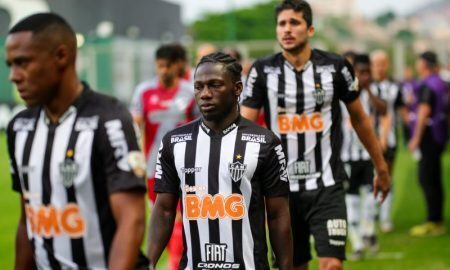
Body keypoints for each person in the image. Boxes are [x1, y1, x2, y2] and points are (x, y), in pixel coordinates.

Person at [241, 1, 390, 269]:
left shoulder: (335, 67)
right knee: (293, 265)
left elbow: (360, 119)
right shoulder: (262, 70)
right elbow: (243, 128)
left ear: (310, 29)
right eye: (282, 23)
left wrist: (381, 166)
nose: (287, 29)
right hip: (281, 191)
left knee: (332, 263)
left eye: (294, 23)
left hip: (327, 186)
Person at [5, 13, 148, 269]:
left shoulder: (109, 120)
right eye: (10, 65)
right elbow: (28, 218)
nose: (13, 76)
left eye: (23, 63)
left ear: (61, 56)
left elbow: (132, 220)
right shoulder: (20, 128)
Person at [148, 52, 293, 270]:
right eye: (199, 87)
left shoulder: (265, 142)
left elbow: (277, 214)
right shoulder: (174, 142)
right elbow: (164, 210)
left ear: (237, 89)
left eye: (214, 85)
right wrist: (148, 263)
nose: (205, 94)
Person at [130, 44, 197, 269]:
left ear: (178, 65)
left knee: (179, 220)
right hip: (152, 169)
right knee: (163, 221)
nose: (163, 71)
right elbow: (135, 123)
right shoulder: (144, 91)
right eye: (159, 66)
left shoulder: (191, 92)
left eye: (167, 66)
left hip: (186, 168)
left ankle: (174, 265)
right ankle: (180, 259)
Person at [340, 54, 386, 260]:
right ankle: (357, 242)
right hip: (347, 155)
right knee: (350, 201)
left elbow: (384, 110)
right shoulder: (342, 93)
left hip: (367, 155)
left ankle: (368, 231)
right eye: (361, 72)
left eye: (368, 72)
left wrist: (367, 89)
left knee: (370, 196)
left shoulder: (373, 91)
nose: (365, 76)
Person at [408, 51, 448, 236]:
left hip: (429, 137)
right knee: (434, 177)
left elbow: (424, 111)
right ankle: (437, 219)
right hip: (439, 135)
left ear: (423, 64)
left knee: (427, 178)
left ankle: (433, 220)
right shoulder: (440, 83)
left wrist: (415, 139)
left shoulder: (428, 84)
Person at [370, 50, 403, 233]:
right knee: (370, 176)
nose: (379, 68)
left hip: (389, 140)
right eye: (375, 64)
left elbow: (398, 112)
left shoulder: (395, 87)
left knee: (387, 175)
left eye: (382, 63)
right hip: (368, 140)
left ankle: (385, 216)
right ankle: (373, 210)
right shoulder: (365, 87)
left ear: (387, 64)